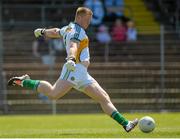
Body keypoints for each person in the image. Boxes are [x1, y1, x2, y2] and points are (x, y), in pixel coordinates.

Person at [7, 7, 138, 132]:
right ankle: (23, 81)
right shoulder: (77, 31)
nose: (89, 22)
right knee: (53, 94)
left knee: (104, 98)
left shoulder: (69, 27)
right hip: (74, 68)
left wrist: (42, 31)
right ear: (79, 17)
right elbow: (73, 46)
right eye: (87, 19)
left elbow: (56, 32)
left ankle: (126, 124)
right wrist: (71, 59)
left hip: (82, 73)